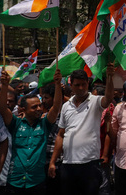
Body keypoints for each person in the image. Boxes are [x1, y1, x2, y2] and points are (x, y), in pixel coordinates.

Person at [48, 63, 115, 195]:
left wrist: (110, 77)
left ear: (88, 84)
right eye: (77, 85)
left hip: (90, 164)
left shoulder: (95, 101)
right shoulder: (66, 106)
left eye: (83, 84)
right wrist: (52, 162)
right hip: (68, 164)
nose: (81, 88)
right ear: (71, 86)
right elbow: (61, 135)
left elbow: (108, 99)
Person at [0, 67, 62, 195]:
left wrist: (58, 84)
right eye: (34, 107)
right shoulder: (15, 123)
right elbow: (3, 109)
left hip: (37, 181)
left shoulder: (45, 124)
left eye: (40, 105)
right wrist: (4, 86)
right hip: (15, 179)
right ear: (23, 109)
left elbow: (56, 107)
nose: (39, 108)